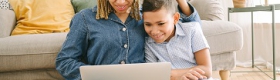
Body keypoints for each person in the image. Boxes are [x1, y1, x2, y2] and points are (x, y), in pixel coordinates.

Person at [55, 0, 201, 79]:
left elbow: (193, 26)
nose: (120, 2)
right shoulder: (85, 18)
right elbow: (65, 61)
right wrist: (94, 75)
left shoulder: (147, 17)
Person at [142, 0, 212, 80]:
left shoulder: (192, 30)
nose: (155, 31)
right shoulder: (148, 43)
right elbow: (153, 75)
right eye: (148, 24)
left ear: (175, 18)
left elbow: (206, 69)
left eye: (161, 24)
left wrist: (171, 74)